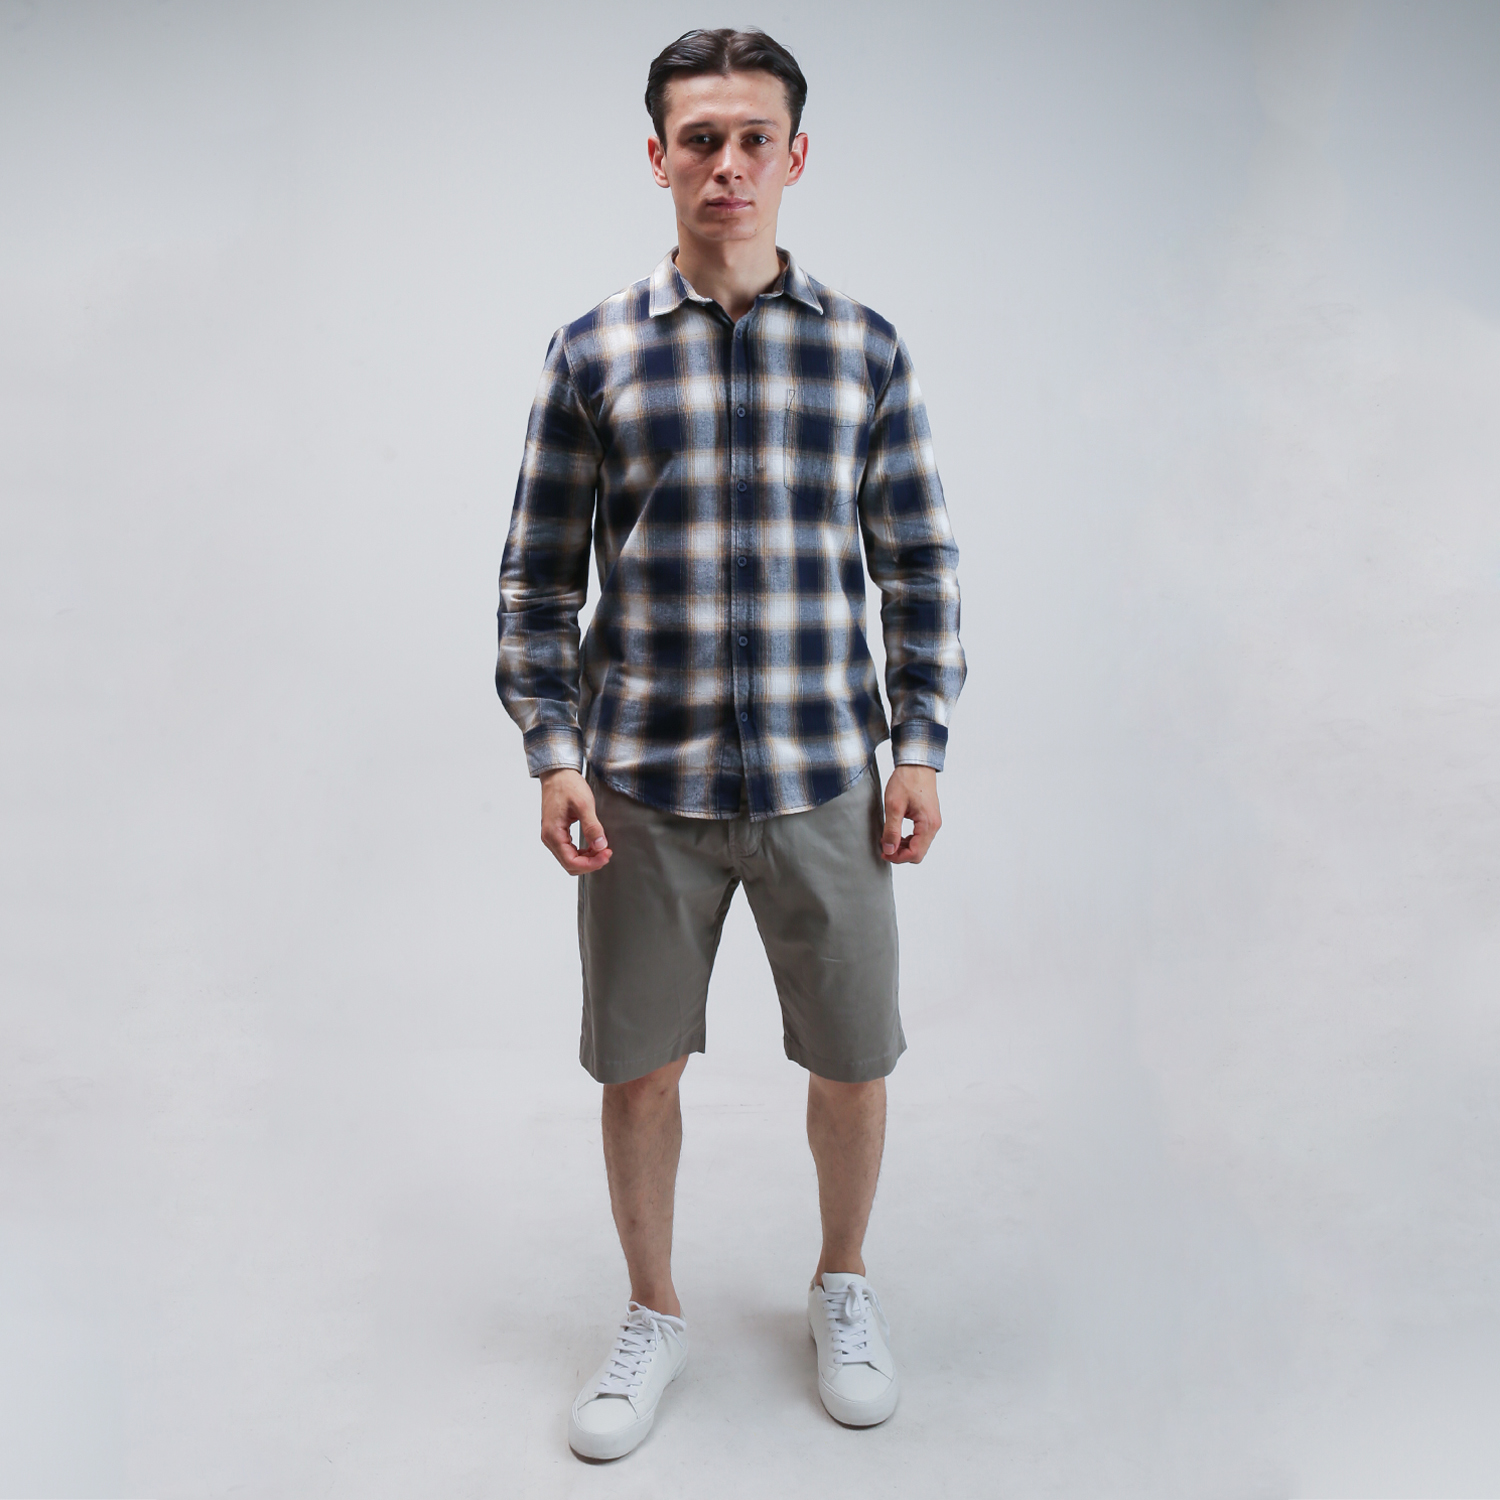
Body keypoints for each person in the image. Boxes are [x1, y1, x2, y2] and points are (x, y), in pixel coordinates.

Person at [496, 26, 966, 1461]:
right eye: (701, 138)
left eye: (755, 137)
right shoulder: (593, 352)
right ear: (659, 157)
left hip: (827, 777)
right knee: (638, 1068)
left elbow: (920, 564)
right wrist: (554, 752)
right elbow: (536, 581)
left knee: (853, 1056)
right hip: (643, 785)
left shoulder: (865, 349)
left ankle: (843, 1282)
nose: (729, 165)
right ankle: (653, 1311)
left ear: (795, 156)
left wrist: (919, 745)